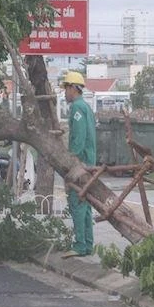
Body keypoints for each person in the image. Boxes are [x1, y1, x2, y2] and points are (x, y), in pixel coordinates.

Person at [61, 71, 97, 258]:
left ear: (73, 88)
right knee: (87, 203)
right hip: (89, 161)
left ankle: (80, 245)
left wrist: (71, 158)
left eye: (66, 88)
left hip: (81, 162)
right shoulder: (86, 107)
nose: (64, 93)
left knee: (77, 201)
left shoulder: (76, 107)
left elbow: (79, 138)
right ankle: (88, 244)